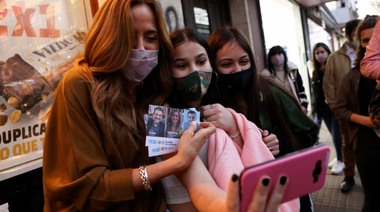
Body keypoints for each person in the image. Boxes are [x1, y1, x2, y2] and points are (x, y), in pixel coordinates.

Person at [42, 0, 290, 211]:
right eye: (129, 35)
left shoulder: (155, 98)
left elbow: (197, 182)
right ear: (110, 35)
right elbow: (90, 187)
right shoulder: (80, 84)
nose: (141, 47)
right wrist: (173, 164)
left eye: (150, 37)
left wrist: (230, 203)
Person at [162, 27, 298, 212]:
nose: (195, 71)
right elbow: (192, 187)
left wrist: (236, 128)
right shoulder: (166, 116)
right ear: (167, 70)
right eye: (181, 65)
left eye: (201, 61)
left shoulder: (218, 108)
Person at [208, 26, 319, 212]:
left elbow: (309, 133)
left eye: (244, 61)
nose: (238, 70)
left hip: (287, 195)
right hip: (236, 199)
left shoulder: (271, 91)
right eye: (227, 64)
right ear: (213, 66)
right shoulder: (210, 100)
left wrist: (282, 143)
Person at [335, 15, 380, 211]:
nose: (370, 44)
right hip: (366, 144)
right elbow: (340, 109)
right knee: (373, 197)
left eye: (375, 39)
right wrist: (366, 121)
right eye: (365, 40)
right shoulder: (354, 76)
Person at [323, 18, 361, 192]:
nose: (358, 40)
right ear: (347, 35)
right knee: (347, 144)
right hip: (344, 110)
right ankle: (349, 176)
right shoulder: (334, 58)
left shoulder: (370, 52)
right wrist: (336, 108)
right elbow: (328, 85)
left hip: (366, 108)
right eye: (355, 36)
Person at [310, 42, 344, 175]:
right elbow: (315, 93)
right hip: (323, 109)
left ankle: (341, 160)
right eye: (317, 53)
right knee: (333, 134)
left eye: (322, 52)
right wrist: (315, 110)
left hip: (334, 107)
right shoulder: (315, 71)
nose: (320, 55)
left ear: (328, 52)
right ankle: (339, 157)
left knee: (337, 135)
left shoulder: (333, 68)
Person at [262, 45, 309, 114]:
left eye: (279, 54)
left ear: (284, 55)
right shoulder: (266, 75)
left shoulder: (293, 70)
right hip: (278, 111)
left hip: (296, 107)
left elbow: (301, 89)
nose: (277, 57)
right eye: (274, 55)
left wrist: (304, 105)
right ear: (270, 58)